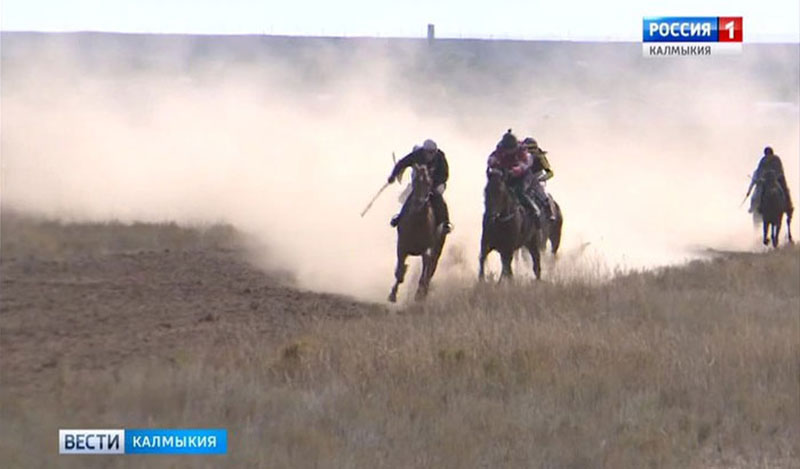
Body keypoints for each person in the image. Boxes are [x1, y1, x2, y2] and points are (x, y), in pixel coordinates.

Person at [388, 139, 452, 234]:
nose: (431, 155)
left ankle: (445, 222)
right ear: (424, 151)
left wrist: (434, 184)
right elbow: (402, 163)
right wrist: (393, 175)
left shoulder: (440, 157)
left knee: (438, 196)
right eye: (429, 152)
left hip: (436, 184)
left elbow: (444, 174)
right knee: (411, 197)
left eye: (433, 152)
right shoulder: (417, 155)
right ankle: (400, 217)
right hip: (421, 184)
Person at [487, 129, 539, 218]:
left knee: (519, 191)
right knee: (494, 189)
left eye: (511, 149)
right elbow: (492, 158)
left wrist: (517, 169)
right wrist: (493, 163)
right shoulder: (500, 149)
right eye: (507, 149)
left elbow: (526, 163)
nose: (508, 151)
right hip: (507, 174)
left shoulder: (522, 150)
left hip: (523, 175)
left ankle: (534, 210)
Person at [747, 146, 793, 215]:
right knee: (760, 192)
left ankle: (788, 206)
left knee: (784, 189)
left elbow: (779, 169)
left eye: (769, 153)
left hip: (776, 178)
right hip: (766, 180)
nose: (768, 155)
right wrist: (761, 178)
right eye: (766, 153)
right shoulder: (763, 160)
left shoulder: (776, 159)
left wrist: (776, 176)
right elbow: (760, 170)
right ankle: (757, 207)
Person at [522, 136, 556, 221]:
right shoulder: (522, 157)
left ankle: (550, 213)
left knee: (543, 195)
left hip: (537, 180)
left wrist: (542, 178)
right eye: (527, 148)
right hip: (525, 180)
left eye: (531, 148)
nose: (529, 151)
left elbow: (550, 173)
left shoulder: (540, 157)